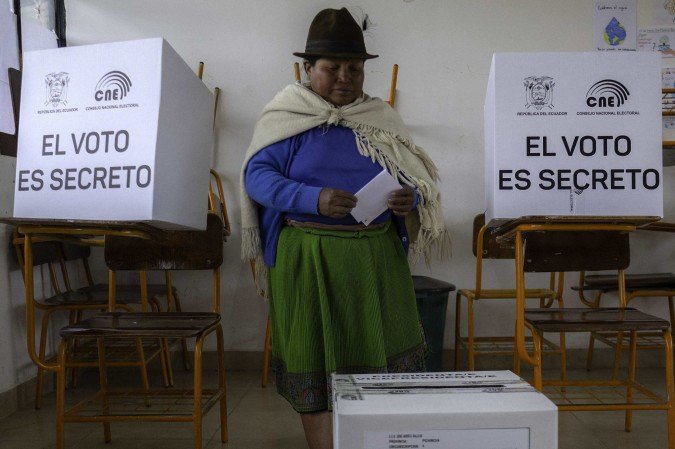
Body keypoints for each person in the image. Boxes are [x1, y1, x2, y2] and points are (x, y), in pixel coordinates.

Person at [240, 8, 448, 449]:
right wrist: (312, 198)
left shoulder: (379, 119)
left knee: (380, 357)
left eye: (354, 69)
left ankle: (371, 441)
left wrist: (408, 199)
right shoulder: (287, 117)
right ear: (307, 69)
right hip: (308, 259)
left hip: (375, 258)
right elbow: (257, 178)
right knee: (316, 360)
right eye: (331, 68)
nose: (344, 78)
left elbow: (412, 177)